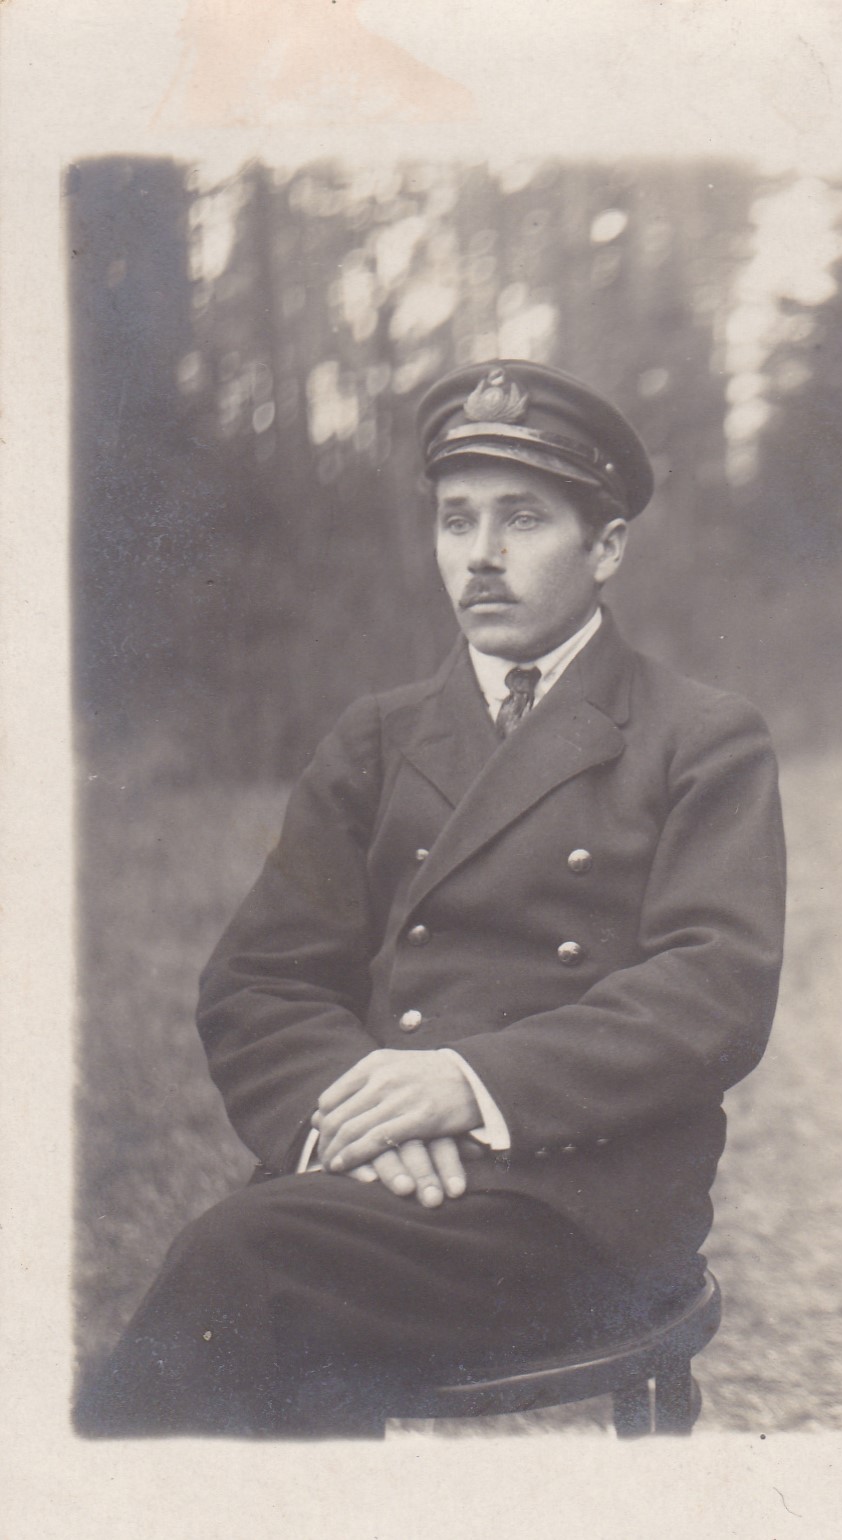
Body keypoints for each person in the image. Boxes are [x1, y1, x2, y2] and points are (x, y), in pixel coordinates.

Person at [76, 360, 786, 1437]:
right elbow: (258, 981)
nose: (480, 555)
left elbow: (714, 992)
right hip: (377, 1177)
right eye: (457, 520)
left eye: (522, 519)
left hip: (581, 1208)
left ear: (606, 548)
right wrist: (358, 1118)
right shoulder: (377, 737)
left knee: (242, 1267)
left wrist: (465, 1083)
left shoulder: (700, 737)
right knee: (265, 1302)